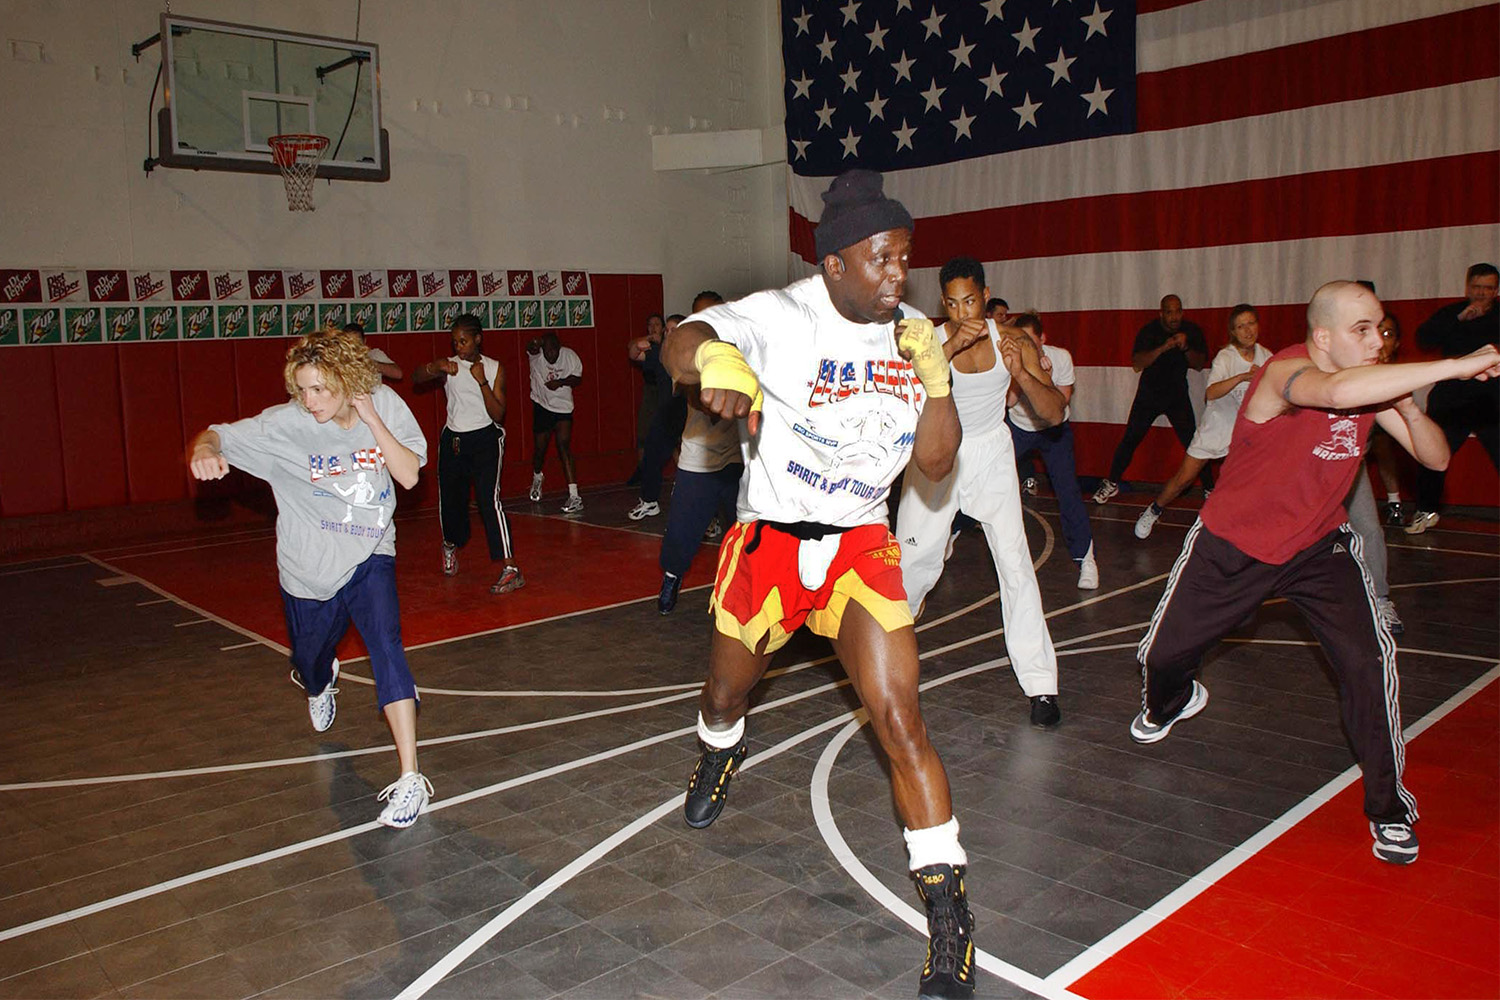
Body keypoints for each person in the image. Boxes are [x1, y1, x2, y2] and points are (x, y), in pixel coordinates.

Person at [661, 169, 979, 999]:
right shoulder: (783, 314)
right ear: (833, 264)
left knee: (901, 718)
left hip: (859, 549)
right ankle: (717, 754)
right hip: (767, 547)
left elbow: (938, 466)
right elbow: (679, 338)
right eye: (878, 259)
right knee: (725, 697)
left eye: (903, 259)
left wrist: (937, 377)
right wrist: (716, 356)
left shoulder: (913, 333)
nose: (894, 277)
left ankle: (949, 910)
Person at [1132, 280, 1500, 866]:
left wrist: (1405, 402)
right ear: (1322, 337)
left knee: (1366, 664)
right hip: (1234, 543)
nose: (1378, 339)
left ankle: (1390, 809)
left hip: (1318, 549)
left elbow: (1436, 457)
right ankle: (1169, 700)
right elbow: (1336, 390)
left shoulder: (1375, 388)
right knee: (1163, 658)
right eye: (1362, 330)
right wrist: (1453, 365)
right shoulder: (1286, 372)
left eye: (1380, 327)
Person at [187, 331, 433, 828]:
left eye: (319, 389)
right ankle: (321, 679)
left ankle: (411, 779)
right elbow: (215, 434)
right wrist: (203, 451)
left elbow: (408, 476)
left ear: (347, 380)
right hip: (308, 569)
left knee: (387, 645)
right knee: (309, 658)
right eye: (302, 390)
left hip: (368, 549)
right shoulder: (286, 425)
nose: (309, 400)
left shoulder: (382, 405)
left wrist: (371, 419)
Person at [897, 259, 1067, 729]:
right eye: (950, 302)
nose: (960, 309)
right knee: (914, 568)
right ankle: (888, 668)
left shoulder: (1011, 340)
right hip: (937, 454)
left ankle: (1041, 685)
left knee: (1016, 564)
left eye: (969, 300)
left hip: (991, 452)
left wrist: (1023, 374)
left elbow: (1054, 414)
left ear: (985, 294)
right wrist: (950, 346)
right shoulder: (930, 339)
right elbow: (907, 397)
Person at [1134, 305, 1272, 539]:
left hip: (1246, 433)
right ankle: (1153, 510)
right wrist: (1243, 376)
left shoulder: (1267, 356)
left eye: (1251, 324)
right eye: (1241, 326)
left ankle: (1242, 526)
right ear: (1233, 332)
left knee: (1258, 479)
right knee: (1184, 479)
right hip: (1216, 428)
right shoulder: (1226, 357)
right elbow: (1211, 393)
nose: (1247, 330)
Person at [412, 314, 524, 594]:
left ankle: (510, 567)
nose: (459, 347)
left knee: (490, 501)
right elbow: (415, 378)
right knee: (452, 502)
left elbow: (499, 413)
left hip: (486, 439)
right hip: (455, 440)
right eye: (455, 342)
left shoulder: (495, 367)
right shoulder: (449, 367)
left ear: (477, 339)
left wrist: (482, 382)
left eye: (463, 341)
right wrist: (433, 366)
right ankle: (450, 544)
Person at [1007, 311, 1099, 588]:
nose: (1026, 347)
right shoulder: (1011, 359)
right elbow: (1009, 403)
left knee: (1068, 491)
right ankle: (953, 532)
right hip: (1020, 428)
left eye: (1031, 342)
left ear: (1043, 339)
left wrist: (1043, 379)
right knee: (982, 478)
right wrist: (1020, 375)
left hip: (1054, 430)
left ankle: (1086, 558)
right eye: (1020, 340)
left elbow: (1059, 406)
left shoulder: (1061, 358)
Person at [1407, 262, 1499, 534]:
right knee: (1433, 454)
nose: (1482, 293)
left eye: (1488, 288)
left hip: (1492, 400)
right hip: (1452, 401)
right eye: (1477, 287)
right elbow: (1423, 339)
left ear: (1496, 290)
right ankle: (1426, 510)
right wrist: (1458, 319)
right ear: (1467, 287)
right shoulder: (1451, 313)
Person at [1093, 294, 1210, 503]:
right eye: (1169, 312)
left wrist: (1185, 348)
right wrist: (1164, 347)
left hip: (1177, 396)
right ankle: (1111, 482)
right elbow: (1138, 362)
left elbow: (1200, 364)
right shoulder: (1149, 332)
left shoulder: (1191, 331)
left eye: (1177, 311)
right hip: (1149, 395)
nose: (1174, 317)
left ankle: (1210, 488)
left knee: (1194, 442)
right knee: (1130, 439)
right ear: (1161, 313)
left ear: (1182, 312)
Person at [627, 292, 725, 521]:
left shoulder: (696, 353)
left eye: (674, 330)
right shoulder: (660, 355)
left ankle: (711, 515)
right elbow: (633, 352)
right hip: (669, 411)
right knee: (652, 452)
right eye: (666, 330)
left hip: (694, 412)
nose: (669, 334)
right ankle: (650, 501)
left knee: (704, 461)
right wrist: (643, 340)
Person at [653, 384, 744, 613]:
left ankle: (743, 590)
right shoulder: (694, 354)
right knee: (680, 530)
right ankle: (672, 576)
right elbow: (694, 396)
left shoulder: (749, 351)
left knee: (747, 532)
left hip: (740, 455)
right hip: (699, 456)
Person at [526, 332, 584, 513]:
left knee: (563, 445)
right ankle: (537, 476)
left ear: (559, 348)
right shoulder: (537, 357)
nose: (551, 354)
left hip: (563, 407)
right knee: (540, 450)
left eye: (554, 350)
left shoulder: (570, 356)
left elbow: (577, 378)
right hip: (542, 405)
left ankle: (574, 495)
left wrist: (560, 382)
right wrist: (534, 343)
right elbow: (531, 347)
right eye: (547, 350)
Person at [1370, 314, 1409, 525]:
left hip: (1380, 425)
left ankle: (1394, 503)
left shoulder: (1398, 376)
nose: (1382, 340)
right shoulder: (1353, 370)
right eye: (1378, 332)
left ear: (1396, 343)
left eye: (1388, 334)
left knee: (1382, 444)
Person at [628, 313, 668, 486]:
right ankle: (643, 472)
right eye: (650, 325)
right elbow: (631, 348)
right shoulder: (646, 346)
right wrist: (649, 337)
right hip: (651, 391)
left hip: (668, 392)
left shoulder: (670, 345)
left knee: (673, 437)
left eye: (657, 324)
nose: (653, 328)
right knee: (643, 434)